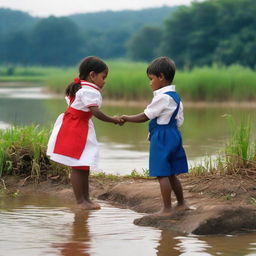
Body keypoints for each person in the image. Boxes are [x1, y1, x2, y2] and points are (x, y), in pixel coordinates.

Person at [47, 56, 123, 210]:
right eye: (103, 77)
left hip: (77, 125)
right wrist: (113, 119)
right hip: (76, 128)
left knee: (83, 164)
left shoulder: (81, 87)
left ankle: (86, 199)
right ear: (92, 75)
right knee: (77, 164)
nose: (105, 81)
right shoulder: (89, 91)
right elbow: (96, 112)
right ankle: (81, 201)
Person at [121, 57, 188, 216]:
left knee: (162, 173)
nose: (150, 83)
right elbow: (179, 120)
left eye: (151, 79)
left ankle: (166, 209)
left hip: (162, 136)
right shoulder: (175, 97)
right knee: (171, 173)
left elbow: (146, 115)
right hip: (174, 134)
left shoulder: (162, 97)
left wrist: (126, 118)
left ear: (161, 77)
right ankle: (181, 203)